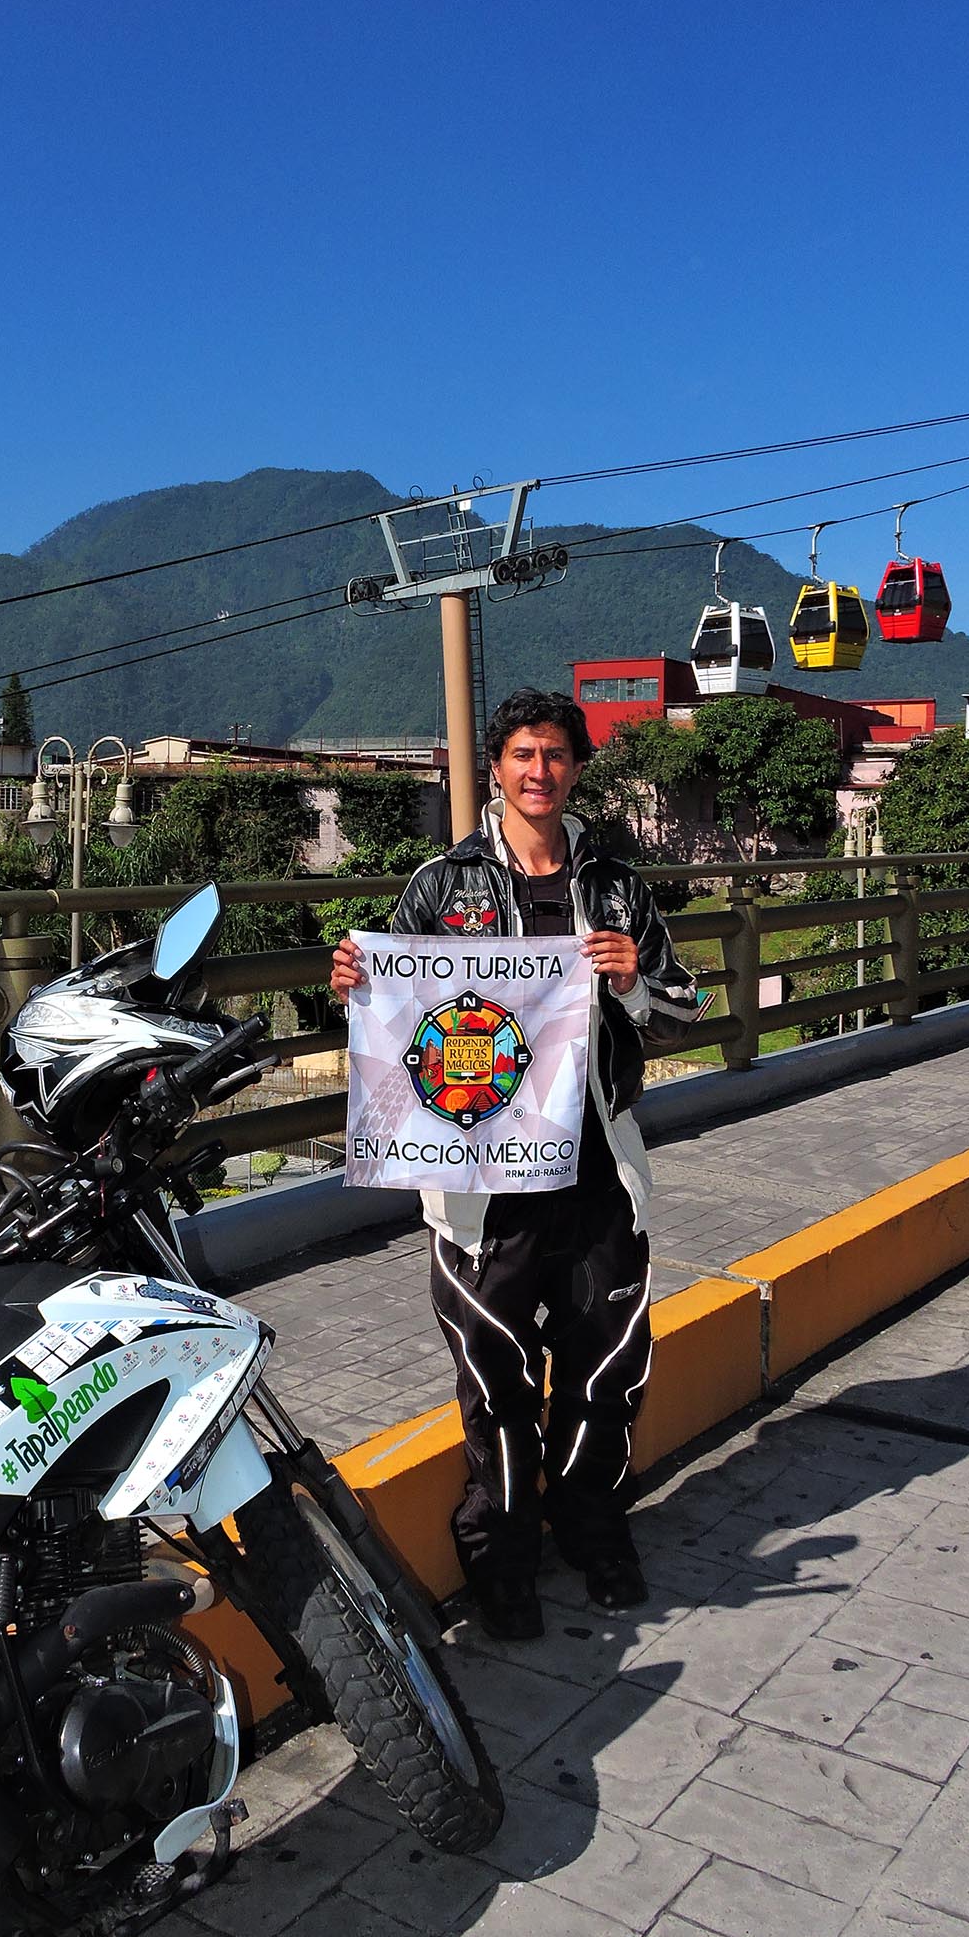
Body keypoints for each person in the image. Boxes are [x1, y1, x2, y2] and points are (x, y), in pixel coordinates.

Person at [331, 688, 698, 1638]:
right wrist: (352, 982)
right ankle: (501, 1554)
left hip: (595, 1168)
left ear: (577, 767)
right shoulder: (440, 884)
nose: (541, 772)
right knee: (494, 1378)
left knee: (605, 1365)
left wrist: (633, 977)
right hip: (481, 1185)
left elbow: (687, 1001)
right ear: (495, 766)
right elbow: (392, 1007)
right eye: (524, 755)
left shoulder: (616, 886)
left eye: (559, 756)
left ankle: (594, 1527)